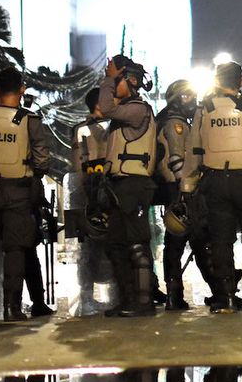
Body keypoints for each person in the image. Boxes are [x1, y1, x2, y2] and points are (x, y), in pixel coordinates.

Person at [181, 61, 242, 312]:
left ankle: (225, 298)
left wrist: (188, 185)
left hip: (214, 181)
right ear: (241, 81)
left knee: (220, 240)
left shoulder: (205, 109)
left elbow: (194, 150)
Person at [0, 68, 52, 320]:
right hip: (19, 190)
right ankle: (11, 307)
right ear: (22, 90)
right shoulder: (30, 120)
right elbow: (41, 160)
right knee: (16, 248)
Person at [98, 55, 158, 316]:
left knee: (136, 244)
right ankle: (127, 299)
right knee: (116, 245)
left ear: (130, 81)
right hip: (119, 184)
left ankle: (143, 302)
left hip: (133, 185)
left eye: (119, 81)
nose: (114, 87)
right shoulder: (128, 110)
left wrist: (109, 79)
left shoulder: (138, 109)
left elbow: (106, 108)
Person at [157, 79, 218, 310]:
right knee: (188, 242)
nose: (191, 101)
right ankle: (181, 295)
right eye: (185, 96)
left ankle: (185, 294)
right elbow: (177, 158)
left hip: (180, 188)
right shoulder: (175, 122)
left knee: (190, 242)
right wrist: (186, 191)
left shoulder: (175, 119)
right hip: (182, 188)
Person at [69, 87, 112, 313]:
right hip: (89, 192)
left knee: (108, 246)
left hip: (103, 191)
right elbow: (78, 165)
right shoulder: (83, 129)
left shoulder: (113, 125)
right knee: (87, 250)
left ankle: (114, 292)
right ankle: (87, 296)